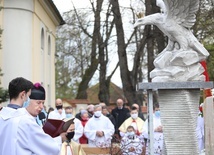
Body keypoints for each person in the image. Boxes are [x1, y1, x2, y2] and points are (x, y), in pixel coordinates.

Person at [0, 82, 66, 155]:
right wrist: (60, 139)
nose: (41, 107)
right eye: (38, 102)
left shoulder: (3, 115)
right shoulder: (25, 121)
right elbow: (50, 148)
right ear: (23, 96)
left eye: (43, 103)